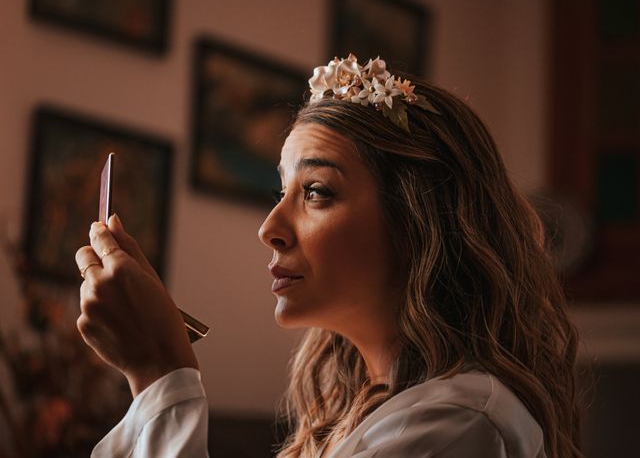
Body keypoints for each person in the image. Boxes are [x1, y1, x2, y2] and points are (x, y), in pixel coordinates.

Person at [75, 54, 582, 457]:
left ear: (419, 219)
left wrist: (161, 372)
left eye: (316, 191)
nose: (269, 228)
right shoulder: (364, 416)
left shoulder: (458, 425)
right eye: (281, 191)